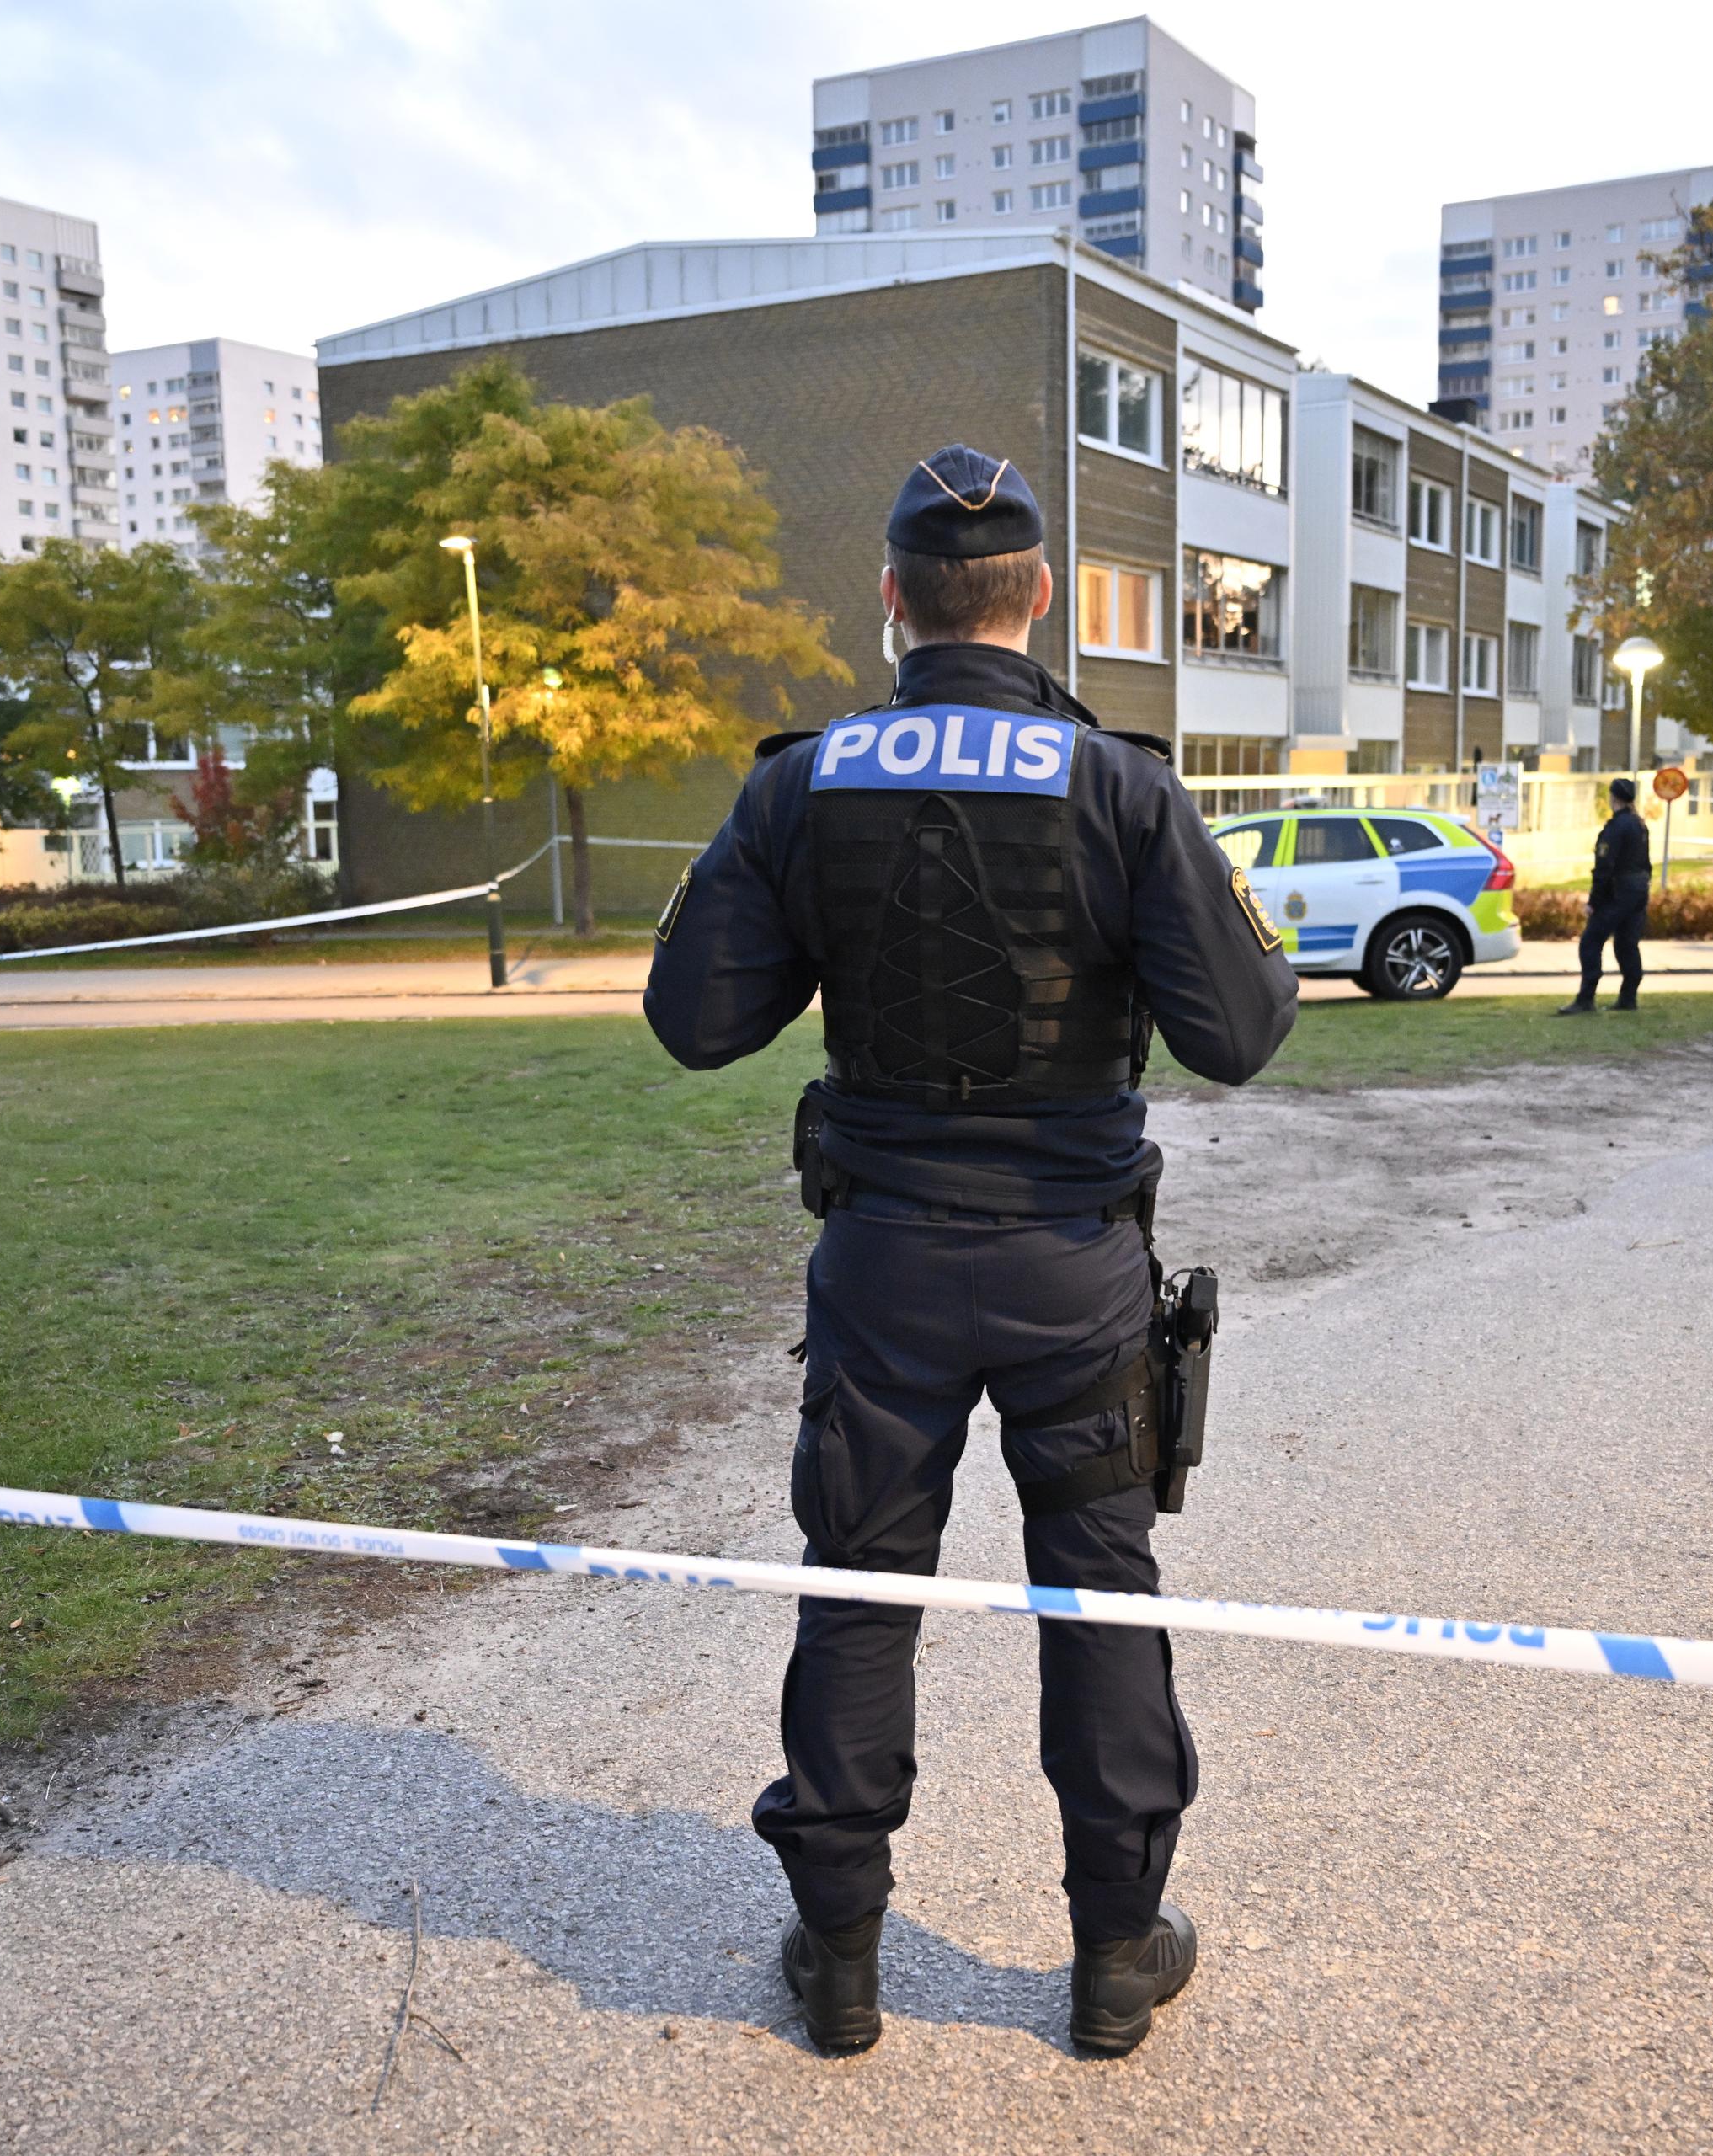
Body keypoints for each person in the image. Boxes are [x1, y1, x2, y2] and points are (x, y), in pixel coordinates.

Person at [644, 444, 1299, 2059]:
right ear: (1043, 599)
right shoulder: (1120, 784)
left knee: (859, 1596)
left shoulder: (803, 783)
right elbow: (1240, 1029)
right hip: (1075, 1268)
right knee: (1101, 1602)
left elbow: (696, 1018)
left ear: (889, 602)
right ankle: (1113, 1958)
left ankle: (845, 1959)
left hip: (883, 1271)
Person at [1559, 775, 1652, 1015]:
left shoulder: (1616, 828)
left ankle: (1586, 998)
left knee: (1590, 942)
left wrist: (1594, 902)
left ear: (1614, 797)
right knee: (1627, 943)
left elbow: (1604, 867)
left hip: (1617, 894)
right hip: (1638, 892)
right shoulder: (1640, 824)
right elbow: (1646, 864)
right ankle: (1628, 997)